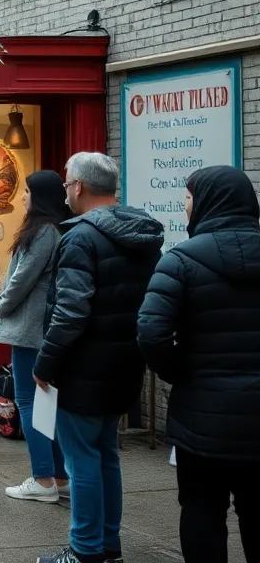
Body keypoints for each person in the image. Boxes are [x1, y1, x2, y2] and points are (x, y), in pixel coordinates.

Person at [34, 152, 163, 563]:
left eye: (67, 182)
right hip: (125, 360)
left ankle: (86, 549)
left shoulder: (79, 237)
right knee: (105, 454)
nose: (66, 190)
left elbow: (70, 311)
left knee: (81, 460)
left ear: (79, 187)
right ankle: (109, 546)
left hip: (84, 365)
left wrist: (46, 362)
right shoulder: (143, 234)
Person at [139, 165, 260, 563]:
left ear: (206, 202)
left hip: (202, 421)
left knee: (202, 510)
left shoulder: (180, 262)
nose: (185, 207)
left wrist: (183, 374)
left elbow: (152, 334)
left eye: (188, 198)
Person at [0, 170, 70, 503]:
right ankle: (59, 477)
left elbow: (22, 278)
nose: (22, 197)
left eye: (26, 191)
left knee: (29, 401)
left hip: (31, 329)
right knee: (46, 404)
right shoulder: (52, 230)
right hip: (38, 328)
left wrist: (0, 305)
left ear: (40, 196)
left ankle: (42, 478)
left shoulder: (45, 232)